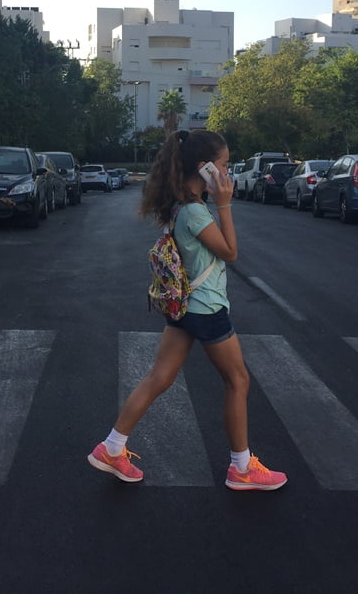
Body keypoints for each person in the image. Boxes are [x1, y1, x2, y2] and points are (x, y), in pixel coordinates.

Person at [87, 129, 287, 491]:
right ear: (205, 168)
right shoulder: (195, 211)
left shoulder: (182, 205)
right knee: (237, 380)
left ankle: (112, 448)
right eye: (223, 166)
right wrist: (224, 204)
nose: (227, 173)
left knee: (159, 377)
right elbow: (230, 252)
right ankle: (241, 468)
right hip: (205, 308)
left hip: (185, 307)